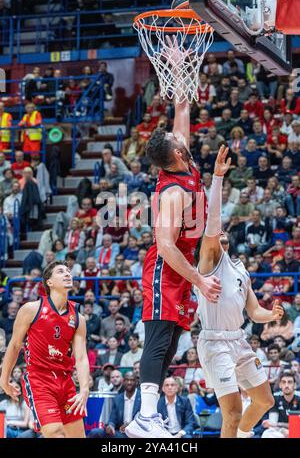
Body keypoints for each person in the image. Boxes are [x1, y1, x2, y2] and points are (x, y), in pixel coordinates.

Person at [125, 40, 221, 439]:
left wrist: (179, 64)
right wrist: (198, 280)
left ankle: (150, 415)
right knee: (158, 338)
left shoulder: (183, 164)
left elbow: (182, 107)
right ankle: (144, 417)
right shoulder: (172, 193)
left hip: (181, 266)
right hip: (167, 266)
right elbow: (164, 246)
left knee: (171, 342)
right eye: (176, 137)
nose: (180, 135)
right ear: (178, 153)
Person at [194, 146, 284, 438]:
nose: (217, 235)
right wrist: (218, 179)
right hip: (215, 343)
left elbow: (253, 311)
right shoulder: (208, 263)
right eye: (213, 235)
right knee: (231, 413)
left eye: (221, 235)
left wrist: (270, 314)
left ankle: (244, 436)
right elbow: (212, 222)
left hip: (239, 340)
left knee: (264, 401)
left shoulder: (240, 268)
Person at [0, 261, 90, 438]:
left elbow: (81, 357)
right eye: (61, 271)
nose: (67, 274)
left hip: (66, 383)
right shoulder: (31, 309)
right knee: (56, 433)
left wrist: (85, 389)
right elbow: (15, 346)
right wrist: (4, 380)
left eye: (68, 271)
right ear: (49, 282)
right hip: (39, 380)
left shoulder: (78, 318)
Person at [89, 372, 141, 439]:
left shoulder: (142, 398)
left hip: (136, 433)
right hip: (120, 433)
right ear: (123, 381)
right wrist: (110, 426)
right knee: (95, 432)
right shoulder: (118, 399)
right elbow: (112, 419)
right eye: (127, 380)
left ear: (136, 382)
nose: (129, 382)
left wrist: (130, 426)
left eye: (132, 380)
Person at [261, 371, 300, 438]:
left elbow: (295, 426)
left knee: (294, 434)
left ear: (295, 385)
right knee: (267, 434)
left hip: (296, 430)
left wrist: (279, 425)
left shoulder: (298, 398)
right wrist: (281, 429)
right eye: (284, 382)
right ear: (280, 385)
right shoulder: (275, 398)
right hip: (280, 430)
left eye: (290, 382)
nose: (286, 385)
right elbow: (272, 423)